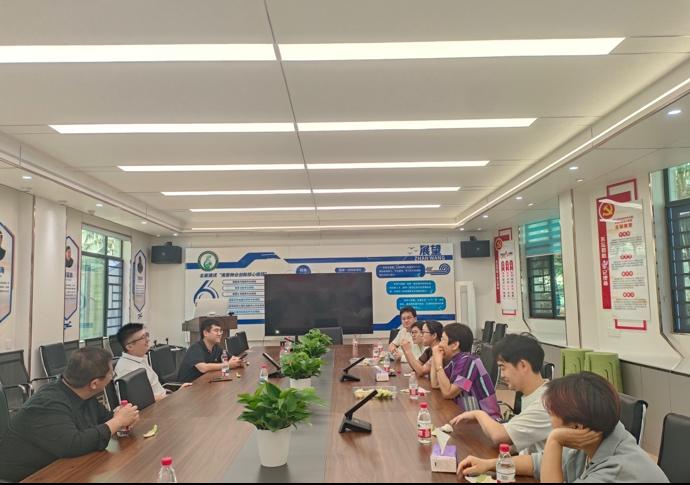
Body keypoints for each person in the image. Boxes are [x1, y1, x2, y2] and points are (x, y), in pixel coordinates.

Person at [458, 372, 669, 483]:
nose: (549, 420)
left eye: (551, 414)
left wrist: (554, 440)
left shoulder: (616, 470)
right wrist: (489, 464)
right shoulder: (593, 435)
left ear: (576, 426)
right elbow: (536, 463)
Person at [0, 348, 140, 482]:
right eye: (111, 374)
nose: (111, 378)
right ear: (94, 383)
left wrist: (122, 418)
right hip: (27, 477)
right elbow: (74, 444)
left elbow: (104, 419)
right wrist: (118, 421)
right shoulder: (48, 404)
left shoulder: (82, 393)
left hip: (61, 467)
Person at [450, 333, 552, 454]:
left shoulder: (545, 403)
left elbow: (499, 435)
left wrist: (478, 414)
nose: (502, 375)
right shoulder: (535, 395)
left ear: (523, 365)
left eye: (503, 367)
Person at [432, 323, 501, 420]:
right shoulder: (455, 361)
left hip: (486, 421)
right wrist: (435, 358)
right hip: (467, 415)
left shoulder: (469, 362)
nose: (439, 344)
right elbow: (435, 384)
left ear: (455, 345)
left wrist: (438, 364)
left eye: (443, 339)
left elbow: (448, 393)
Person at [114, 323, 190, 401]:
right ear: (130, 347)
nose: (148, 339)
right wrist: (174, 396)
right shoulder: (127, 369)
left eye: (147, 335)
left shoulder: (140, 358)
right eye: (143, 337)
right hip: (158, 405)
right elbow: (141, 401)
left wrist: (175, 394)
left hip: (165, 398)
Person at [177, 319, 243, 382]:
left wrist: (239, 361)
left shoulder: (216, 347)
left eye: (220, 331)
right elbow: (203, 368)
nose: (220, 334)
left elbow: (232, 358)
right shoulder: (195, 348)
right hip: (188, 386)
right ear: (205, 333)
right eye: (216, 331)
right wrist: (227, 365)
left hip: (204, 382)